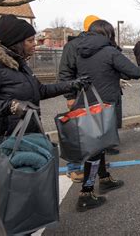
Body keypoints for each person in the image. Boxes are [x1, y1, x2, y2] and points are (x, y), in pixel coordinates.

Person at [74, 19, 140, 211]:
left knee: (97, 146)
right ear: (108, 34)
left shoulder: (81, 51)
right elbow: (133, 72)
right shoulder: (109, 51)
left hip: (87, 104)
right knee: (95, 150)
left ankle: (104, 178)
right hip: (104, 105)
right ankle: (86, 193)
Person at [0, 14, 88, 165]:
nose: (35, 44)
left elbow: (40, 90)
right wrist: (11, 106)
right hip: (6, 142)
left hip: (27, 136)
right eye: (30, 41)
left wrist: (71, 84)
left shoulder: (20, 65)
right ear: (15, 43)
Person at [59, 14, 100, 183]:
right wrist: (70, 96)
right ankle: (74, 168)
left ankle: (93, 164)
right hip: (79, 96)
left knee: (92, 132)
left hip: (93, 96)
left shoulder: (97, 45)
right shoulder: (73, 46)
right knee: (77, 132)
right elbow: (65, 73)